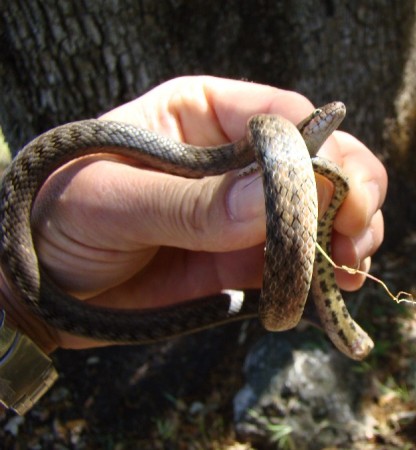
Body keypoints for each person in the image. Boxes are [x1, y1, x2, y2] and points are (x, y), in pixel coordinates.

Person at [0, 76, 388, 354]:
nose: (328, 115)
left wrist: (22, 317)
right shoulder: (268, 139)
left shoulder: (277, 148)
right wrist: (17, 306)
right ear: (299, 129)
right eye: (317, 115)